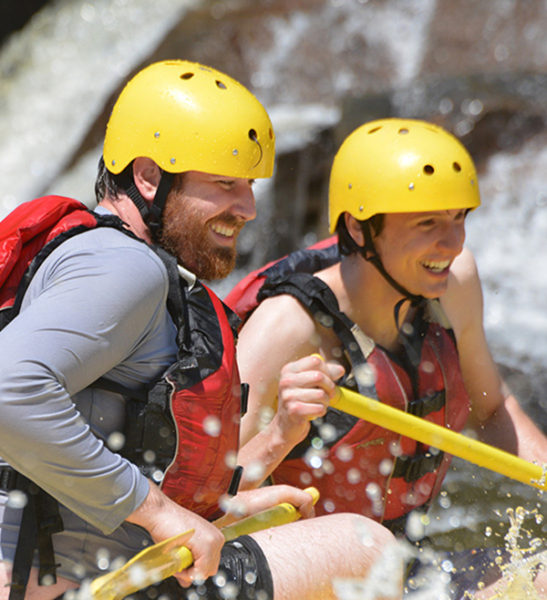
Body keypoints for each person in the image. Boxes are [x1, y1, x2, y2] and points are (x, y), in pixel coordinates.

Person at [0, 62, 402, 600]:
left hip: (100, 570)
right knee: (364, 549)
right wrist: (159, 511)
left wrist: (276, 438)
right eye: (224, 184)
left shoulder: (106, 260)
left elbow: (116, 454)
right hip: (85, 588)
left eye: (251, 186)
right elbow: (10, 389)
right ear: (148, 176)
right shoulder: (125, 268)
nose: (249, 209)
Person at [226, 118, 547, 597]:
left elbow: (491, 406)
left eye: (459, 218)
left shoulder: (452, 281)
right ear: (358, 227)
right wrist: (277, 436)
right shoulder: (287, 327)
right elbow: (210, 499)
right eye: (427, 223)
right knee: (370, 556)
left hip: (401, 567)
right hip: (313, 571)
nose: (453, 242)